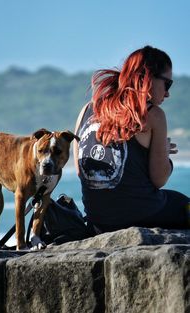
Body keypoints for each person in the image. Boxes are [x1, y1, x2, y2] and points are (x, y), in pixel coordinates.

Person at [73, 45, 189, 234]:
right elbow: (159, 179)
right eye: (167, 84)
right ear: (147, 78)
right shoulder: (153, 115)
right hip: (142, 215)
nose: (167, 93)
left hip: (98, 220)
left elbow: (81, 171)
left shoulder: (87, 110)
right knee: (182, 203)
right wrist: (163, 153)